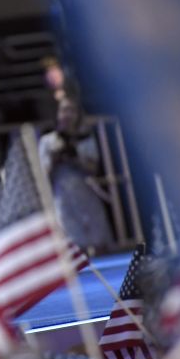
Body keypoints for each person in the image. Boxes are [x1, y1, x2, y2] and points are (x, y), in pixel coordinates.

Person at [38, 98, 114, 251]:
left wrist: (75, 156)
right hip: (62, 197)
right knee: (71, 242)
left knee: (99, 239)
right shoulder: (48, 141)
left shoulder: (85, 138)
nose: (68, 115)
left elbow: (94, 168)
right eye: (64, 110)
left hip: (86, 193)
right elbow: (42, 175)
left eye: (72, 110)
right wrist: (56, 157)